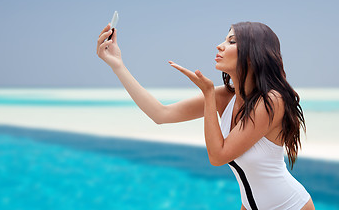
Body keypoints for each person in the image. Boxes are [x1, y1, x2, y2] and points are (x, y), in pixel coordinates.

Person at [96, 21, 315, 210]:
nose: (219, 45)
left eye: (231, 41)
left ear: (252, 54)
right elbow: (160, 114)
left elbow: (218, 156)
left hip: (290, 205)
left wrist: (208, 95)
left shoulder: (271, 101)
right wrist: (118, 65)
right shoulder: (225, 96)